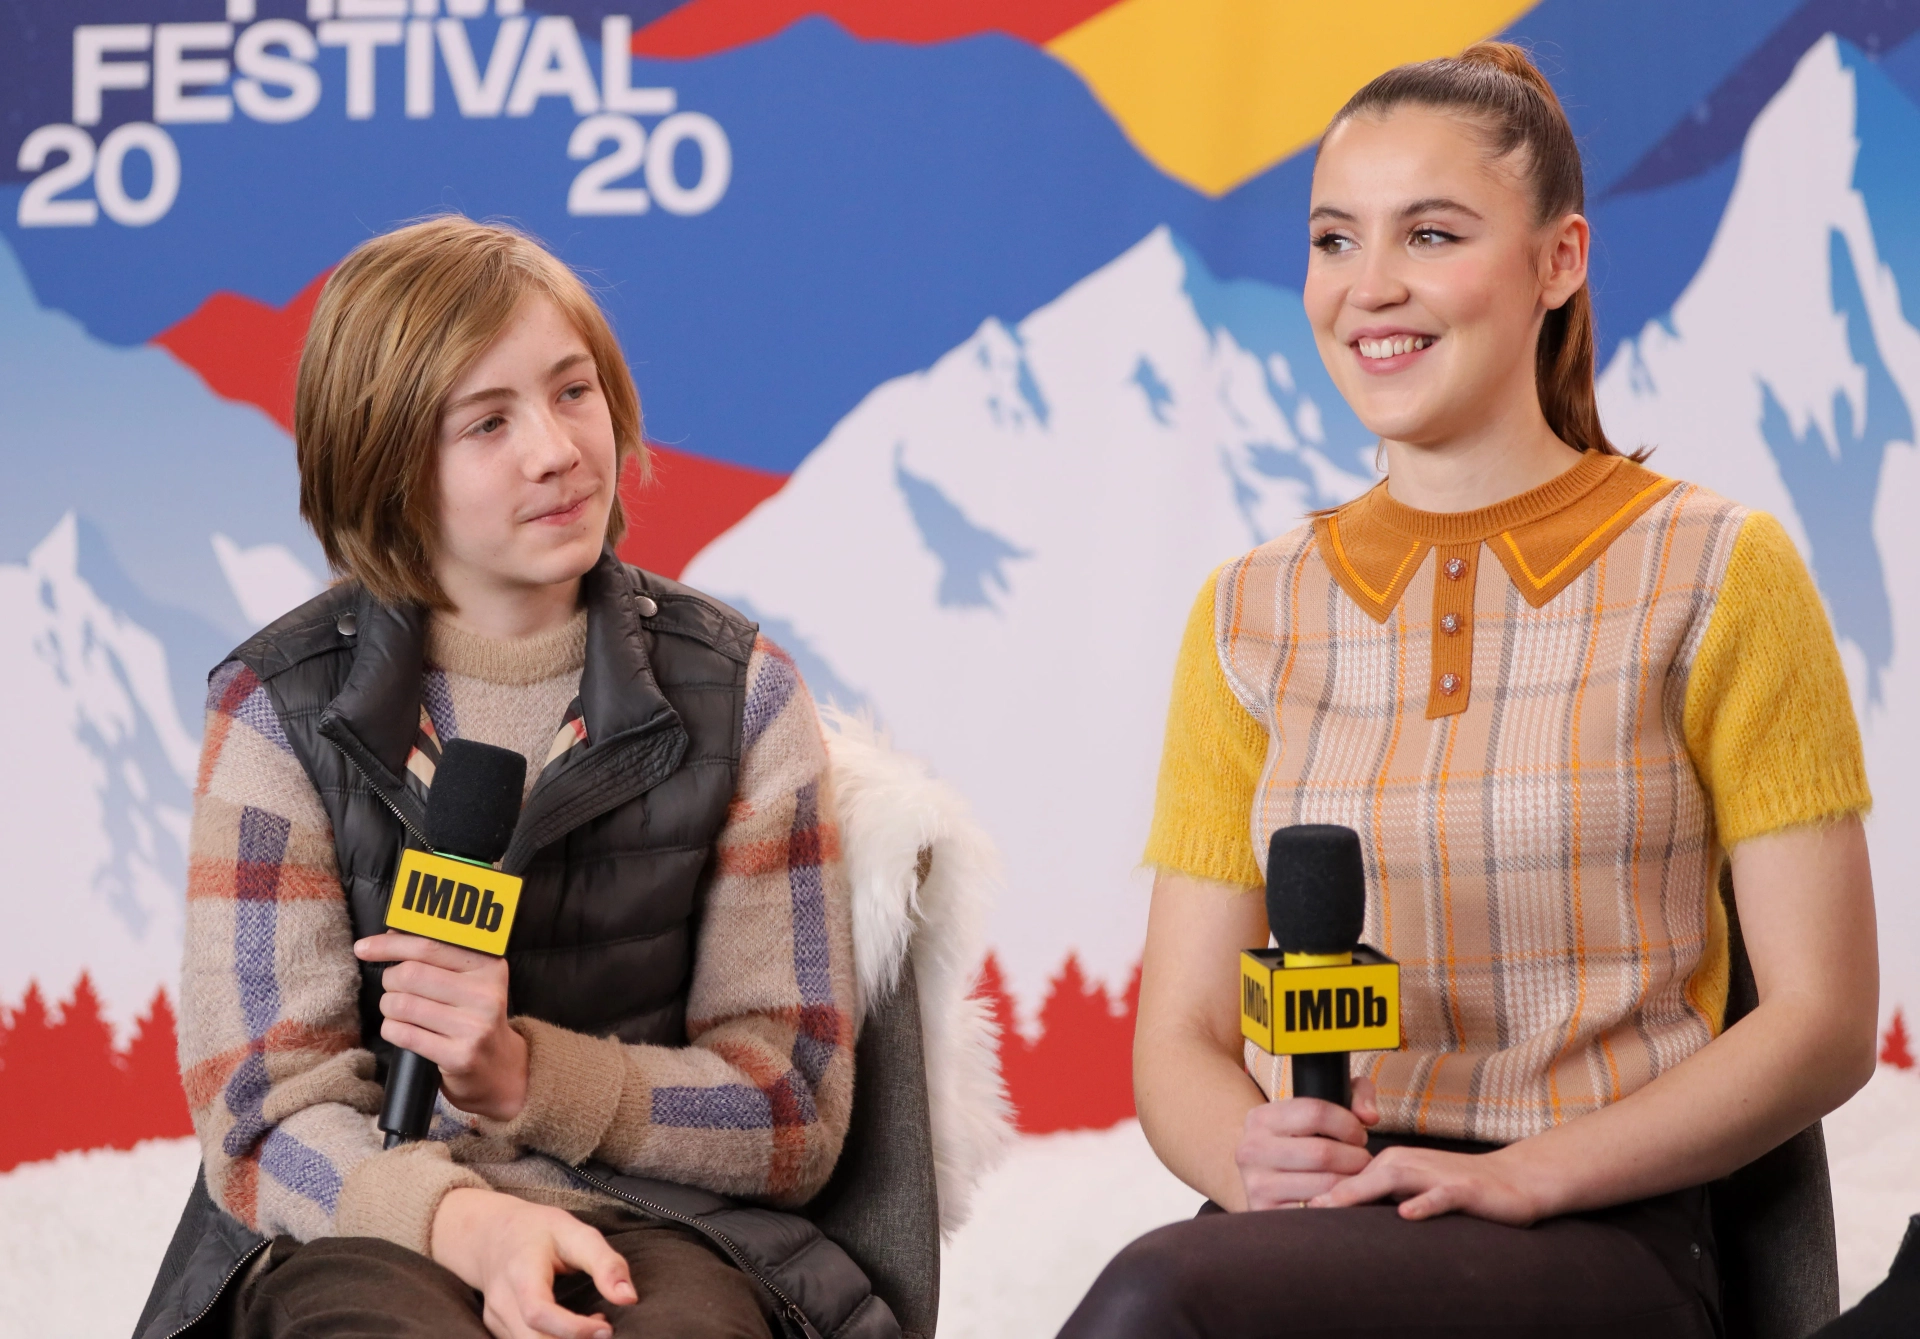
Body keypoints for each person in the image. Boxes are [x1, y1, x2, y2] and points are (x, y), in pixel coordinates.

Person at [1060, 42, 1879, 1338]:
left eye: (1430, 234)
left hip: (1601, 1222)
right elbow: (1183, 1036)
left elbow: (1826, 1019)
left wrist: (1530, 1172)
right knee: (1176, 1288)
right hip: (1317, 1226)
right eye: (1334, 239)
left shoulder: (1720, 567)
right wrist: (1250, 1163)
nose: (1367, 286)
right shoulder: (1246, 608)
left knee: (1161, 1302)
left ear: (1559, 260)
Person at [146, 217, 891, 1339]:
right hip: (372, 1222)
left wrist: (527, 1077)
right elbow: (262, 1121)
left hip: (656, 1218)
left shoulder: (740, 692)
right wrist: (466, 1222)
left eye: (573, 392)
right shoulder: (280, 710)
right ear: (388, 464)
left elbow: (789, 1108)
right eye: (488, 421)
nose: (556, 450)